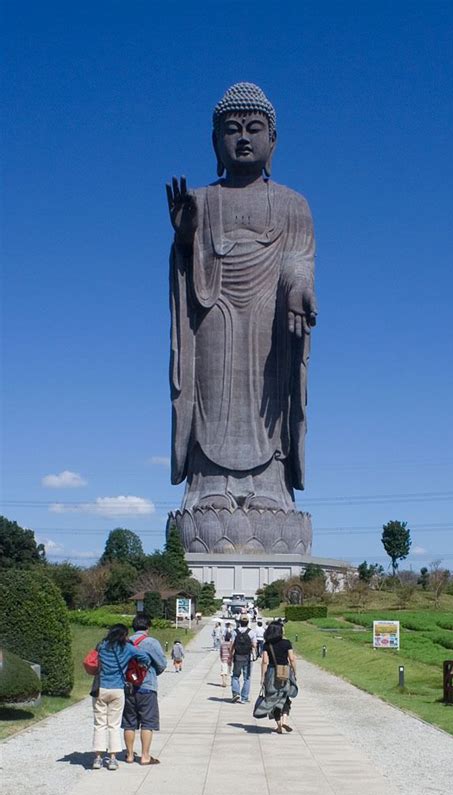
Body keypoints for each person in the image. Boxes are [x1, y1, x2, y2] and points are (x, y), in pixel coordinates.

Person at [166, 82, 317, 556]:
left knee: (270, 404)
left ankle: (270, 491)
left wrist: (297, 289)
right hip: (213, 317)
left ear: (273, 140)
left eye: (255, 129)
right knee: (210, 396)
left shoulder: (293, 204)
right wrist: (186, 237)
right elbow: (187, 270)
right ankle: (207, 489)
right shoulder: (203, 201)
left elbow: (299, 259)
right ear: (216, 142)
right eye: (232, 130)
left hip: (270, 325)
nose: (244, 138)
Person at [92, 623, 149, 770]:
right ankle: (112, 759)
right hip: (117, 689)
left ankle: (97, 758)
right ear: (124, 635)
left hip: (101, 688)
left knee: (99, 724)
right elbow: (144, 657)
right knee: (114, 725)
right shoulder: (128, 648)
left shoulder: (102, 646)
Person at [122, 613, 167, 766]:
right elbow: (162, 664)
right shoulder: (151, 642)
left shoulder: (125, 642)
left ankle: (128, 755)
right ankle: (145, 756)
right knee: (147, 722)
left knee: (129, 722)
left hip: (128, 687)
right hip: (147, 686)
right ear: (148, 627)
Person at [259, 621, 297, 733]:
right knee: (285, 696)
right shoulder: (286, 643)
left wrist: (262, 677)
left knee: (273, 698)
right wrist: (294, 672)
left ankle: (279, 725)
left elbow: (265, 661)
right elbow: (292, 658)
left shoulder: (267, 644)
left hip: (271, 672)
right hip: (285, 671)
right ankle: (285, 720)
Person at [230, 615, 257, 703]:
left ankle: (236, 693)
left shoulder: (235, 632)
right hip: (247, 657)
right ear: (248, 622)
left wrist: (230, 655)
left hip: (237, 657)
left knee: (235, 676)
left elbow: (232, 645)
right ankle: (244, 697)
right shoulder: (251, 632)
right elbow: (254, 645)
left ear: (239, 622)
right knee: (247, 678)